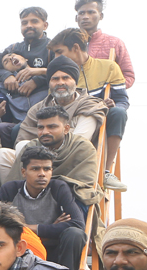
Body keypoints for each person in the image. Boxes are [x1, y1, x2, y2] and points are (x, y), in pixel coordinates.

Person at [48, 27, 130, 191]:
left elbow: (122, 100)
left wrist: (112, 105)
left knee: (118, 113)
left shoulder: (109, 67)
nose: (56, 58)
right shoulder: (59, 76)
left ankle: (106, 172)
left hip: (101, 123)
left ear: (75, 48)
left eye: (59, 52)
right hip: (71, 122)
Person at [0, 105, 100, 212]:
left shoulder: (82, 147)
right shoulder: (30, 147)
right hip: (32, 199)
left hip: (66, 200)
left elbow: (83, 184)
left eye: (52, 127)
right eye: (41, 127)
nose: (45, 132)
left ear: (66, 129)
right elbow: (15, 181)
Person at [0, 146, 86, 268]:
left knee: (75, 234)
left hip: (55, 250)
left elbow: (78, 224)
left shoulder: (58, 188)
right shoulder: (10, 189)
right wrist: (51, 229)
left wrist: (26, 227)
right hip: (22, 249)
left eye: (47, 169)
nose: (42, 174)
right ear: (23, 172)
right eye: (35, 169)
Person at [74, 0, 135, 88]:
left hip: (107, 97)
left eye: (91, 12)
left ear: (101, 16)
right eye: (81, 13)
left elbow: (128, 76)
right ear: (76, 18)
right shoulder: (67, 44)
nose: (85, 17)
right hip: (75, 96)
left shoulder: (115, 43)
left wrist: (110, 90)